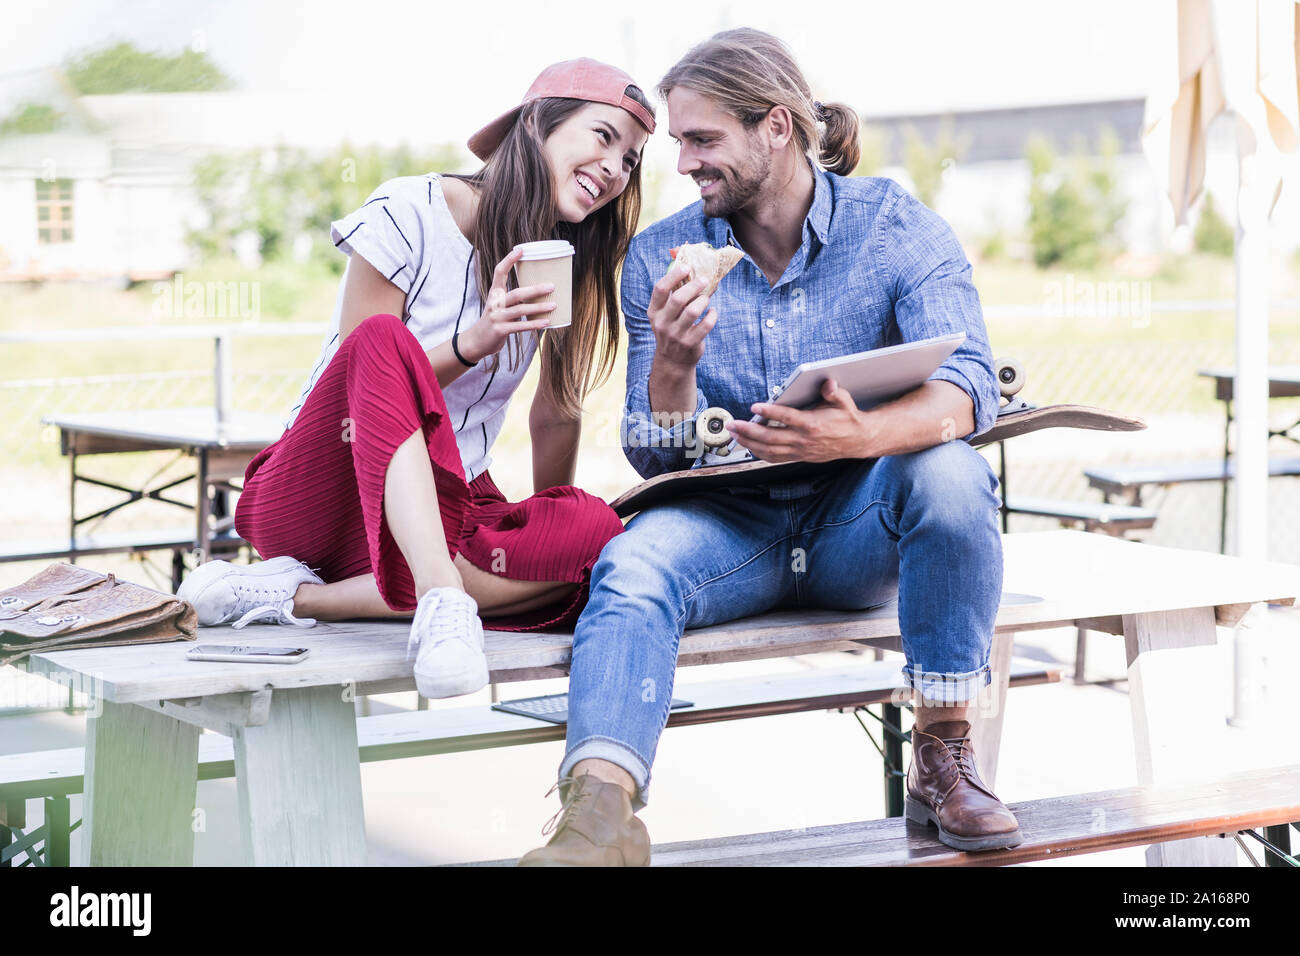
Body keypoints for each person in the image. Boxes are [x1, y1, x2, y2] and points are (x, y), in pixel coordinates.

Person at [518, 29, 1019, 866]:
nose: (683, 163)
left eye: (702, 140)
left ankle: (941, 757)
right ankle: (598, 818)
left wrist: (859, 434)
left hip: (857, 522)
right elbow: (653, 452)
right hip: (729, 527)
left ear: (777, 127)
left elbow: (967, 386)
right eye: (678, 142)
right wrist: (674, 369)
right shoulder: (658, 256)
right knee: (632, 565)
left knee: (953, 476)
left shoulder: (892, 227)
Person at [179, 59, 654, 700]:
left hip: (450, 501)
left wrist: (548, 531)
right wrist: (474, 342)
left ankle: (299, 596)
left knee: (601, 535)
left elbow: (555, 411)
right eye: (604, 136)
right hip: (328, 484)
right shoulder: (411, 208)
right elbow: (363, 372)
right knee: (385, 340)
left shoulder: (562, 263)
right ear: (539, 123)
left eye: (630, 159)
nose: (615, 167)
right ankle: (441, 595)